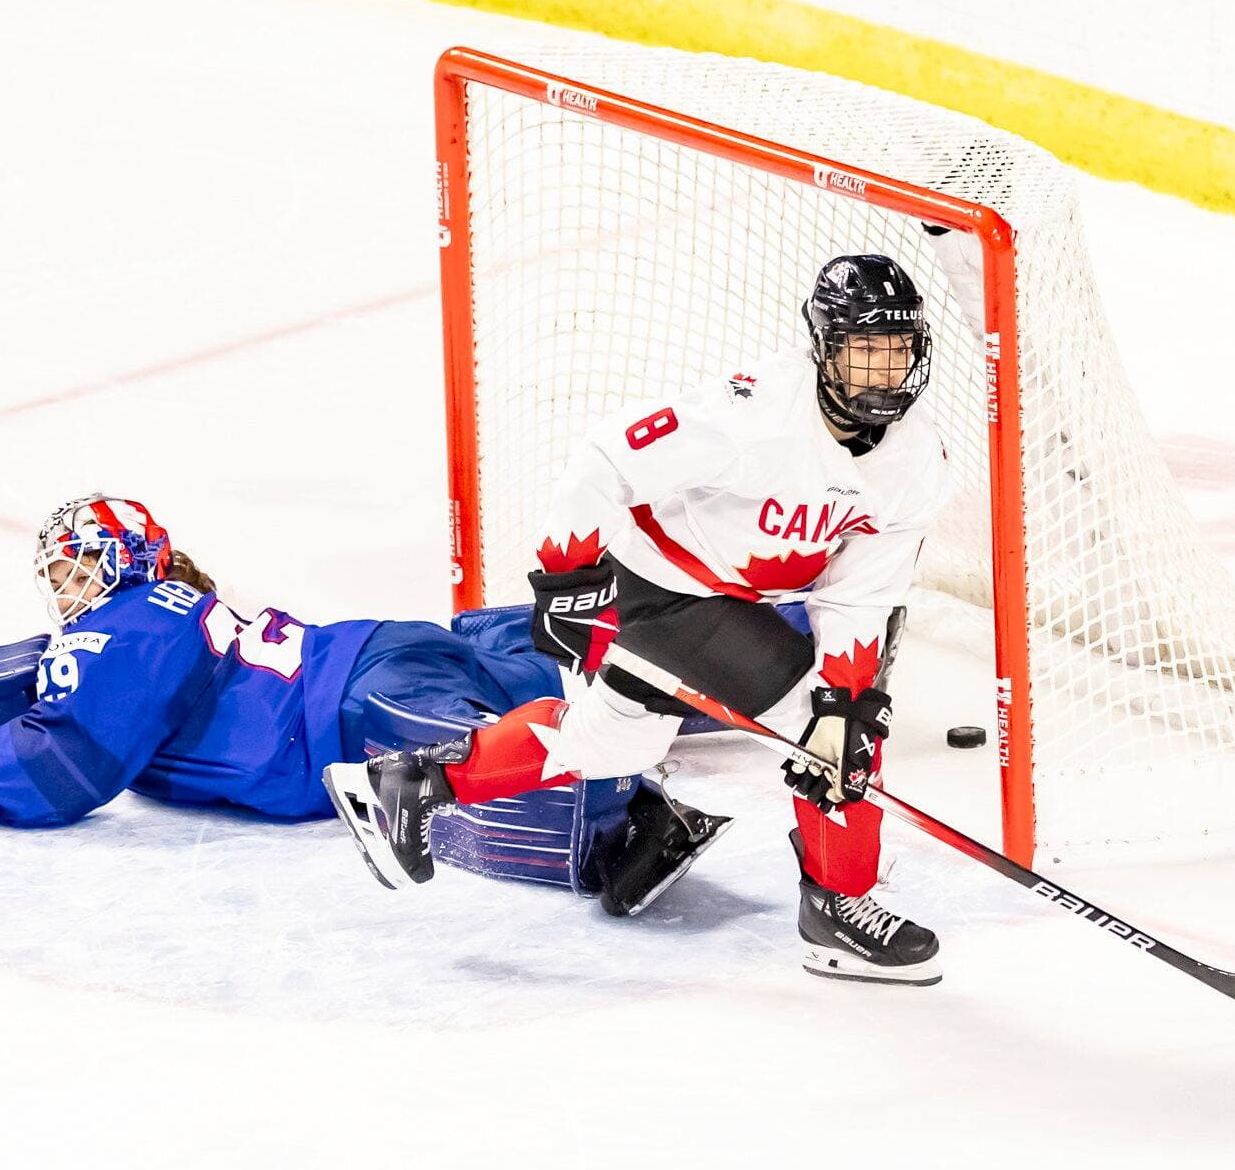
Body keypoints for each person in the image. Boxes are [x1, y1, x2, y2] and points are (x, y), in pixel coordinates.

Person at [326, 254, 955, 985]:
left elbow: (859, 594)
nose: (883, 370)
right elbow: (607, 460)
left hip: (718, 603)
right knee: (824, 730)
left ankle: (410, 783)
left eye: (897, 350)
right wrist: (568, 579)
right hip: (655, 589)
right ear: (826, 348)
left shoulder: (917, 461)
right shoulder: (754, 415)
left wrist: (845, 698)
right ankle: (839, 909)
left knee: (619, 742)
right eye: (864, 349)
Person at [0, 495, 726, 912]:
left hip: (364, 706)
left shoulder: (130, 625)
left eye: (76, 565)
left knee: (485, 774)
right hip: (381, 653)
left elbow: (65, 762)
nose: (66, 587)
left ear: (123, 560)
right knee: (641, 670)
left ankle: (631, 818)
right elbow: (65, 689)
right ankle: (765, 642)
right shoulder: (162, 612)